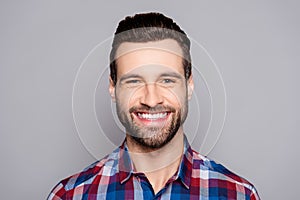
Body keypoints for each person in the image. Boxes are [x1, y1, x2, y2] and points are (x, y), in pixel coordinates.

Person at [48, 12, 260, 199]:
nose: (151, 100)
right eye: (134, 81)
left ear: (189, 85)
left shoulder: (238, 195)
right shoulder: (70, 195)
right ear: (113, 88)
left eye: (167, 80)